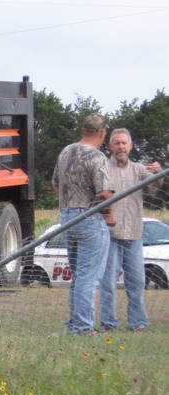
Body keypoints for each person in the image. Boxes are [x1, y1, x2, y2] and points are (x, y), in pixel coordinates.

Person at [52, 113, 116, 335]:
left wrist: (69, 203)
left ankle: (74, 323)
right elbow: (104, 193)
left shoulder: (65, 152)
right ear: (103, 132)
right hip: (90, 218)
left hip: (67, 217)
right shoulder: (98, 157)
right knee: (89, 277)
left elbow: (55, 184)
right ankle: (83, 327)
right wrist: (109, 214)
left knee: (78, 276)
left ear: (84, 129)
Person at [100, 128, 163, 332]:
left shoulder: (139, 170)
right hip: (110, 234)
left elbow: (155, 187)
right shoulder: (103, 168)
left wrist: (158, 172)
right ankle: (108, 323)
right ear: (110, 146)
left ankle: (138, 323)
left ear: (130, 146)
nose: (121, 147)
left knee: (136, 282)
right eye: (117, 143)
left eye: (124, 143)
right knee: (108, 283)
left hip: (134, 235)